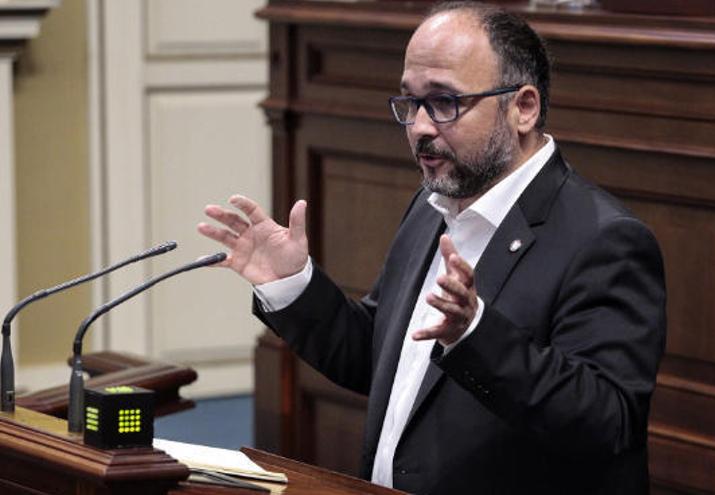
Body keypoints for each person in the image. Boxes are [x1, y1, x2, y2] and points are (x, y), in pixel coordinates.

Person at [198, 2, 666, 493]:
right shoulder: (432, 206)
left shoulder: (605, 240)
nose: (420, 126)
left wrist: (476, 336)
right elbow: (379, 358)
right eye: (410, 103)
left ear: (523, 107)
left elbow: (606, 423)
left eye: (445, 103)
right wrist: (292, 285)